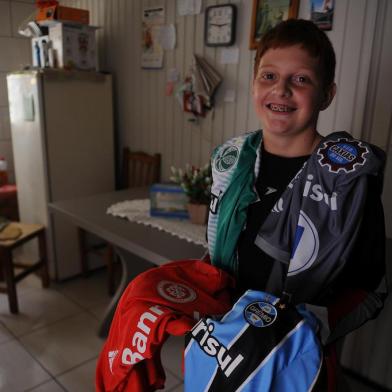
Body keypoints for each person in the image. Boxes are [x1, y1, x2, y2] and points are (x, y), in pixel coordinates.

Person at [206, 19, 386, 389]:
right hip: (225, 349)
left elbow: (371, 288)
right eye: (268, 76)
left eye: (301, 79)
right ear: (254, 84)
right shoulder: (231, 160)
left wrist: (303, 327)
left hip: (297, 363)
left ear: (327, 94)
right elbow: (217, 252)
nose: (281, 90)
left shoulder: (347, 178)